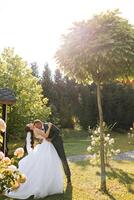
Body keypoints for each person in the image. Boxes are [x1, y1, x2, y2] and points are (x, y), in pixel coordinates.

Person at [6, 122, 64, 199]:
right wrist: (49, 127)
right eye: (29, 124)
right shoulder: (36, 129)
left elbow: (41, 138)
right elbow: (46, 136)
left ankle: (47, 185)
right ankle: (47, 185)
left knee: (45, 164)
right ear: (30, 127)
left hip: (44, 145)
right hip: (46, 146)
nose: (30, 123)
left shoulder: (34, 131)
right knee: (48, 164)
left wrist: (42, 139)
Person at [33, 119, 71, 185]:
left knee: (63, 159)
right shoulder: (37, 130)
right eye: (36, 126)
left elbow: (58, 131)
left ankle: (68, 177)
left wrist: (51, 139)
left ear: (40, 123)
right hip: (48, 147)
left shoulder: (48, 125)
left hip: (57, 144)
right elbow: (39, 137)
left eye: (38, 125)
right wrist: (40, 141)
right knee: (49, 162)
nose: (38, 127)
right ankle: (52, 180)